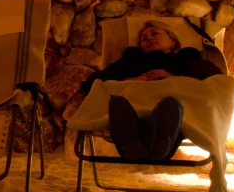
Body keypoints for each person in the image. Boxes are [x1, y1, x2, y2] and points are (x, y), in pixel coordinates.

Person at [80, 20, 224, 162]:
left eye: (155, 33)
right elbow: (95, 82)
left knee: (171, 105)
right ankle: (132, 146)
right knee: (118, 103)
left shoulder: (184, 61)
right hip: (134, 109)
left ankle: (160, 146)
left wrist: (173, 78)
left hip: (171, 113)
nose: (149, 38)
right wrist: (128, 81)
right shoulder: (130, 63)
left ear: (172, 41)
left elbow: (215, 79)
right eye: (144, 39)